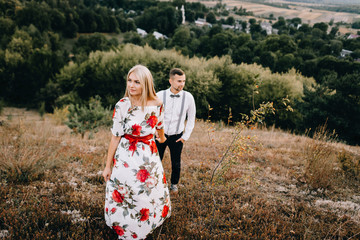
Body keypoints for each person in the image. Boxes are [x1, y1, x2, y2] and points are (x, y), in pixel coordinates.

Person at [102, 65, 171, 239]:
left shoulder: (157, 104)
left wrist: (162, 139)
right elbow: (115, 137)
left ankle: (144, 224)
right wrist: (107, 166)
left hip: (148, 155)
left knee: (146, 192)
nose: (131, 85)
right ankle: (126, 227)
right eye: (129, 81)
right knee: (125, 190)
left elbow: (160, 126)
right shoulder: (122, 105)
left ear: (146, 83)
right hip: (126, 154)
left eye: (137, 82)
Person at [155, 68, 196, 193]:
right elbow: (151, 114)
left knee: (176, 163)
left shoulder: (188, 97)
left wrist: (185, 136)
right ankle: (155, 184)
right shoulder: (160, 95)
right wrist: (154, 131)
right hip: (159, 134)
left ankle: (174, 184)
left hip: (177, 136)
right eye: (179, 81)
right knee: (156, 161)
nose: (182, 84)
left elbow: (191, 118)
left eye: (183, 81)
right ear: (170, 81)